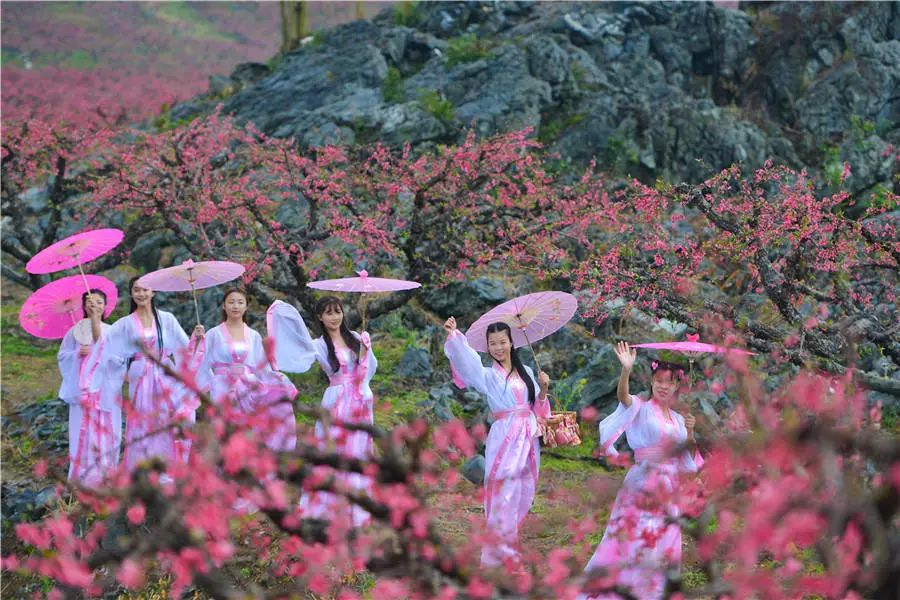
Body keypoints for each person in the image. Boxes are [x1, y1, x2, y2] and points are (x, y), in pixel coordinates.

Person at [580, 342, 702, 600]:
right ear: (652, 381)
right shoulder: (641, 407)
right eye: (658, 381)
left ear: (677, 386)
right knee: (637, 537)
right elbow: (623, 398)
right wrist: (626, 370)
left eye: (669, 383)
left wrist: (690, 431)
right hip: (644, 480)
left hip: (670, 486)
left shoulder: (680, 419)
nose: (663, 386)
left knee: (665, 540)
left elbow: (688, 460)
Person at [443, 316, 552, 567]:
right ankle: (498, 555)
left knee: (522, 490)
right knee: (503, 491)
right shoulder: (488, 376)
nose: (498, 348)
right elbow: (469, 364)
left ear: (511, 343)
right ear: (488, 347)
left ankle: (509, 546)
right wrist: (455, 336)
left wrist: (544, 388)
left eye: (502, 342)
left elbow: (538, 409)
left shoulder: (525, 373)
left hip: (528, 437)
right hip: (504, 437)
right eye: (493, 344)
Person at [266, 296, 376, 527]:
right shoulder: (318, 345)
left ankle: (356, 505)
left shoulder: (355, 338)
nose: (334, 317)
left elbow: (368, 370)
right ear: (320, 317)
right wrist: (279, 317)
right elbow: (298, 355)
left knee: (358, 448)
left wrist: (367, 350)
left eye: (337, 311)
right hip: (336, 398)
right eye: (328, 313)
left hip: (359, 397)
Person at [85, 277, 203, 471]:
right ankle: (144, 469)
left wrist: (196, 339)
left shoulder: (166, 319)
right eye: (136, 290)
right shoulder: (125, 323)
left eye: (145, 289)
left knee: (169, 419)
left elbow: (185, 349)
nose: (141, 294)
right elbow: (104, 345)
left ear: (153, 292)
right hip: (140, 377)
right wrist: (96, 318)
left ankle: (169, 468)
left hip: (166, 373)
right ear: (131, 293)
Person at [195, 288, 297, 451]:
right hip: (222, 386)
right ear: (224, 306)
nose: (236, 306)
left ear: (246, 307)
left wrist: (277, 379)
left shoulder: (253, 335)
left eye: (240, 302)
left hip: (248, 387)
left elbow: (260, 365)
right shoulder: (214, 334)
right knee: (224, 428)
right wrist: (197, 341)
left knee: (248, 429)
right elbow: (201, 361)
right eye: (231, 302)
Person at [59, 289, 112, 485]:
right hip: (82, 390)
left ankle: (103, 475)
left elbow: (117, 358)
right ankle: (80, 478)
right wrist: (76, 353)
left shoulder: (110, 330)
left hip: (103, 390)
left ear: (105, 306)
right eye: (89, 301)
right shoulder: (76, 331)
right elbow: (62, 356)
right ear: (83, 306)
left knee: (104, 432)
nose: (94, 305)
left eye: (98, 301)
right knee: (80, 430)